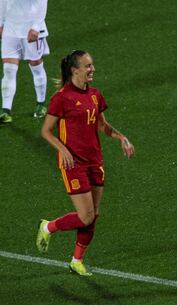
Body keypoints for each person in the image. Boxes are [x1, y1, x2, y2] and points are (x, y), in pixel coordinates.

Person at [36, 50, 135, 276]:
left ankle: (76, 261)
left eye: (92, 65)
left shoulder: (95, 95)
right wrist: (63, 149)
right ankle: (48, 226)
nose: (93, 70)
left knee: (94, 214)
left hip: (94, 161)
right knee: (85, 216)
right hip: (73, 163)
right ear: (75, 70)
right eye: (88, 66)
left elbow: (102, 125)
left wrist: (122, 138)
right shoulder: (62, 97)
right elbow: (46, 131)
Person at [0, 0, 49, 123]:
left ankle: (40, 104)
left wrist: (36, 27)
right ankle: (6, 110)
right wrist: (0, 22)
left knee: (36, 65)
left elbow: (42, 2)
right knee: (8, 69)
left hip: (30, 27)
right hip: (10, 27)